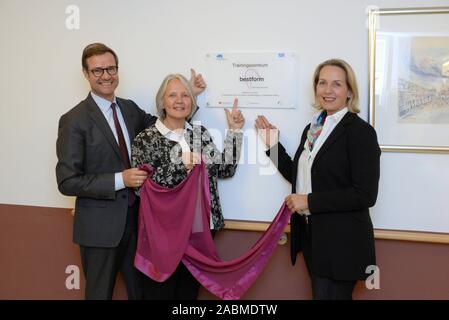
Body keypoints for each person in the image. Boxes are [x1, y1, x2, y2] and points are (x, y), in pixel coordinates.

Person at [55, 43, 206, 300]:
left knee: (142, 294)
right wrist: (120, 179)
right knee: (99, 294)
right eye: (97, 70)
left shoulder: (129, 109)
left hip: (140, 224)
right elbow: (67, 181)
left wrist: (187, 95)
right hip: (99, 231)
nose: (106, 75)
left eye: (111, 68)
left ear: (117, 70)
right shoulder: (74, 120)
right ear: (85, 73)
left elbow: (166, 125)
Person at [255, 58, 381, 300]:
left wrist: (309, 202)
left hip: (342, 243)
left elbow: (365, 194)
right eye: (322, 83)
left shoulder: (360, 132)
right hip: (315, 239)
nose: (327, 90)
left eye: (336, 84)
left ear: (349, 92)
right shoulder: (313, 128)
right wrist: (272, 145)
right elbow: (300, 175)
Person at [132, 74, 244, 299]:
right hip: (166, 233)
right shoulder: (146, 139)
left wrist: (234, 132)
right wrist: (178, 166)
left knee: (188, 295)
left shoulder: (200, 134)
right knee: (161, 292)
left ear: (192, 102)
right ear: (162, 102)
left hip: (200, 231)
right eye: (172, 95)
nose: (180, 100)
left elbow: (225, 170)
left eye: (185, 95)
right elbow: (142, 188)